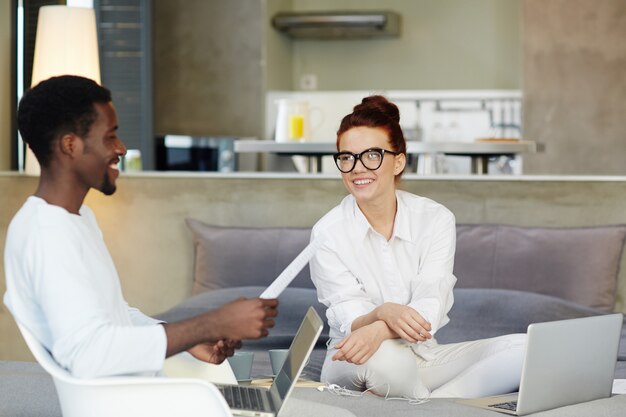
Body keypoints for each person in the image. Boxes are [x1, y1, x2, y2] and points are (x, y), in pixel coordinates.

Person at [3, 75, 278, 378]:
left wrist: (189, 339)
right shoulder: (47, 236)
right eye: (110, 137)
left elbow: (114, 318)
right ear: (70, 145)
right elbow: (89, 355)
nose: (120, 148)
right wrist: (213, 323)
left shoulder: (75, 220)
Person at [309, 95, 525, 400]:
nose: (357, 168)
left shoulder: (435, 219)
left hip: (422, 355)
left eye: (372, 155)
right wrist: (384, 313)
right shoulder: (327, 233)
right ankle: (430, 401)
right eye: (347, 157)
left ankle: (430, 404)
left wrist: (383, 326)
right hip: (354, 357)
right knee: (387, 361)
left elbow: (431, 300)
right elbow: (351, 317)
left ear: (398, 161)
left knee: (523, 349)